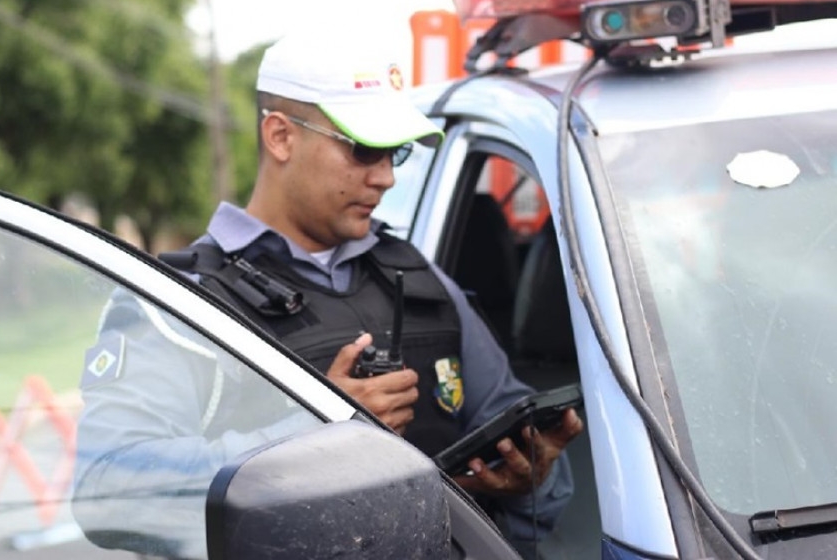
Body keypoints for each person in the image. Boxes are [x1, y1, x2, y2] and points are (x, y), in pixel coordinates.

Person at [73, 29, 582, 560]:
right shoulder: (180, 301)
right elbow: (108, 491)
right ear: (280, 137)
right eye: (364, 149)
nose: (385, 177)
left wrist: (529, 477)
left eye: (396, 153)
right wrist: (317, 434)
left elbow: (544, 487)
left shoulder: (420, 277)